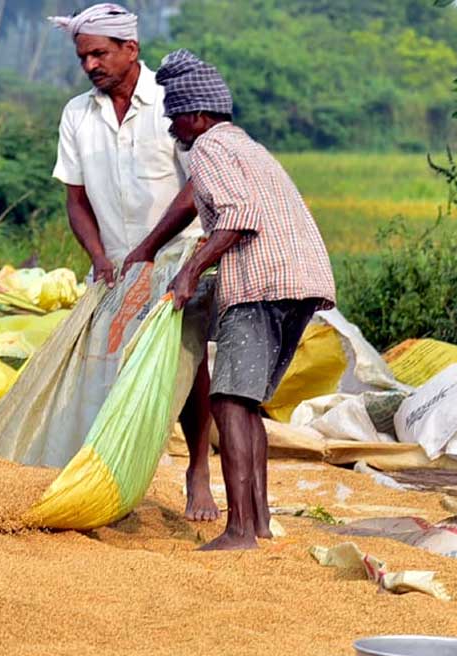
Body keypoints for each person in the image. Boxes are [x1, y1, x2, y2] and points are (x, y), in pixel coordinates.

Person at [151, 50, 337, 550]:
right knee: (246, 403)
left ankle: (237, 531)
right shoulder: (248, 147)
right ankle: (256, 521)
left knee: (229, 400)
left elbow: (236, 216)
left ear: (197, 115)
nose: (173, 129)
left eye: (175, 118)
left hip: (261, 282)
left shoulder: (208, 148)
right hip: (301, 280)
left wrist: (189, 273)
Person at [49, 3, 218, 522]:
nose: (91, 66)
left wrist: (150, 249)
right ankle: (109, 470)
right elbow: (76, 199)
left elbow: (196, 186)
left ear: (131, 50)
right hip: (118, 265)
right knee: (105, 360)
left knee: (185, 364)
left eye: (99, 54)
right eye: (83, 57)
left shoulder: (172, 101)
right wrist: (100, 258)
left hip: (177, 254)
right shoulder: (78, 113)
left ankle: (197, 472)